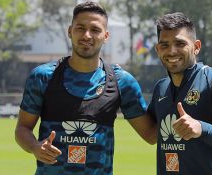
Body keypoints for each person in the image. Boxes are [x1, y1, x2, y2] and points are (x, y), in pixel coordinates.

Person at [15, 1, 156, 175]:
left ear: (106, 35)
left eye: (95, 30)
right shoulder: (43, 76)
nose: (87, 35)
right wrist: (34, 146)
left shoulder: (122, 82)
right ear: (70, 31)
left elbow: (150, 134)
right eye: (80, 28)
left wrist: (187, 110)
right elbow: (22, 128)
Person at [147, 12, 212, 174]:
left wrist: (201, 128)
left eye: (180, 43)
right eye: (164, 45)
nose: (172, 51)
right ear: (158, 50)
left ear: (196, 47)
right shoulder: (161, 88)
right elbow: (149, 132)